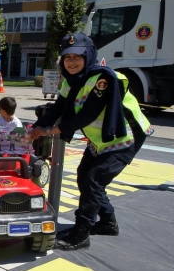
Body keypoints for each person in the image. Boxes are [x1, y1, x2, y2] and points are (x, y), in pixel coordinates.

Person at [30, 33, 153, 251]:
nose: (72, 62)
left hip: (125, 137)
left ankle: (81, 233)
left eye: (78, 56)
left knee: (93, 181)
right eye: (68, 57)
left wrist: (50, 131)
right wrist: (34, 128)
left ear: (89, 56)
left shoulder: (102, 78)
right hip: (101, 140)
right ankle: (107, 222)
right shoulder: (70, 80)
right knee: (84, 177)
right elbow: (58, 107)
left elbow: (86, 115)